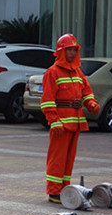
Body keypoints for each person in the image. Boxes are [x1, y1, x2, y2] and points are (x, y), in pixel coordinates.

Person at [41, 34, 100, 204]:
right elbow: (47, 100)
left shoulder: (78, 72)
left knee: (68, 160)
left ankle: (64, 188)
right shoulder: (52, 73)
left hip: (75, 122)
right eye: (69, 50)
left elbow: (86, 92)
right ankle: (54, 191)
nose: (73, 53)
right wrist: (54, 120)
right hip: (61, 123)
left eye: (75, 50)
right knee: (57, 159)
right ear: (61, 51)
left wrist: (91, 103)